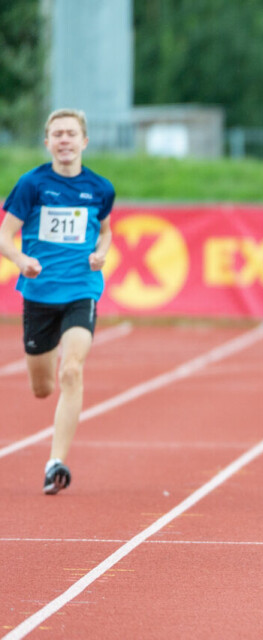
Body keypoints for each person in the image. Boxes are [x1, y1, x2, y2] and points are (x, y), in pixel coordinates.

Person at [0, 109, 115, 495]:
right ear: (47, 142)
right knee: (43, 386)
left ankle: (55, 462)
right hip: (38, 294)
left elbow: (106, 232)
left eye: (71, 133)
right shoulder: (31, 185)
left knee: (73, 371)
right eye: (57, 134)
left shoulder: (100, 188)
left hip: (82, 289)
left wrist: (101, 253)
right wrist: (21, 260)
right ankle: (47, 382)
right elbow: (4, 236)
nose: (64, 140)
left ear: (84, 141)